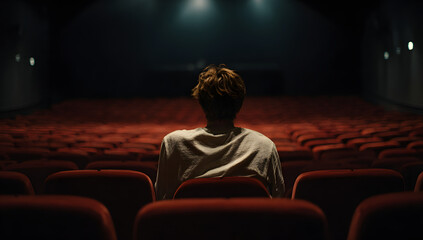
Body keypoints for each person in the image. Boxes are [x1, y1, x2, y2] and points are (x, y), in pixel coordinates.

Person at [155, 64, 284, 200]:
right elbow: (278, 201)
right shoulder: (264, 146)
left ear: (201, 102)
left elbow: (163, 200)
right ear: (239, 103)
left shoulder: (173, 144)